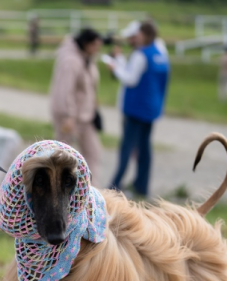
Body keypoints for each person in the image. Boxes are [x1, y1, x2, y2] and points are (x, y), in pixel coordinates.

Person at [106, 21, 169, 198]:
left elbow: (130, 79)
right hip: (151, 108)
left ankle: (115, 185)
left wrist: (114, 67)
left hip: (136, 108)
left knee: (127, 147)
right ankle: (142, 186)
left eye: (139, 34)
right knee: (145, 148)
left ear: (145, 35)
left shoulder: (141, 54)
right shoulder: (160, 53)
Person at [49, 28, 103, 180]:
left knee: (93, 152)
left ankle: (91, 192)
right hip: (70, 117)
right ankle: (59, 190)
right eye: (95, 45)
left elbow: (88, 87)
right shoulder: (70, 60)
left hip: (86, 116)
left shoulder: (87, 58)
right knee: (64, 157)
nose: (97, 49)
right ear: (86, 44)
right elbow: (65, 90)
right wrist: (68, 115)